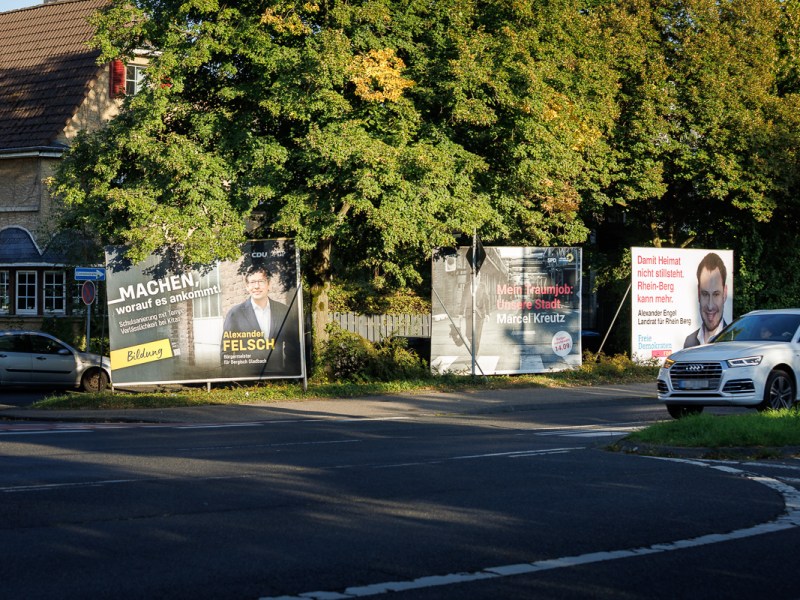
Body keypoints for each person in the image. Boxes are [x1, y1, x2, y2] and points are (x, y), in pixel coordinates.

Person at [220, 265, 300, 375]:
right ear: (247, 286)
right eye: (252, 282)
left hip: (276, 377)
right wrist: (231, 381)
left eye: (261, 281)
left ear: (269, 284)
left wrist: (290, 376)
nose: (256, 286)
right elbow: (226, 350)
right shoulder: (235, 314)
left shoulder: (283, 311)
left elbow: (292, 347)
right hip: (245, 378)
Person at [683, 252, 728, 348]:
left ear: (725, 293)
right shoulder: (689, 342)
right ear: (698, 293)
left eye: (716, 294)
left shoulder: (733, 340)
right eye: (705, 294)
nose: (710, 306)